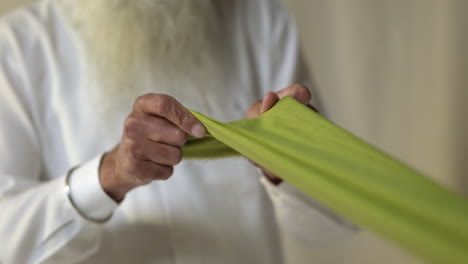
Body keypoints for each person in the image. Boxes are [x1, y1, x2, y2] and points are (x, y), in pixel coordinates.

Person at [0, 0, 356, 263]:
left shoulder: (259, 17)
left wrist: (284, 161)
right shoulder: (17, 47)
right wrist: (106, 177)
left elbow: (336, 221)